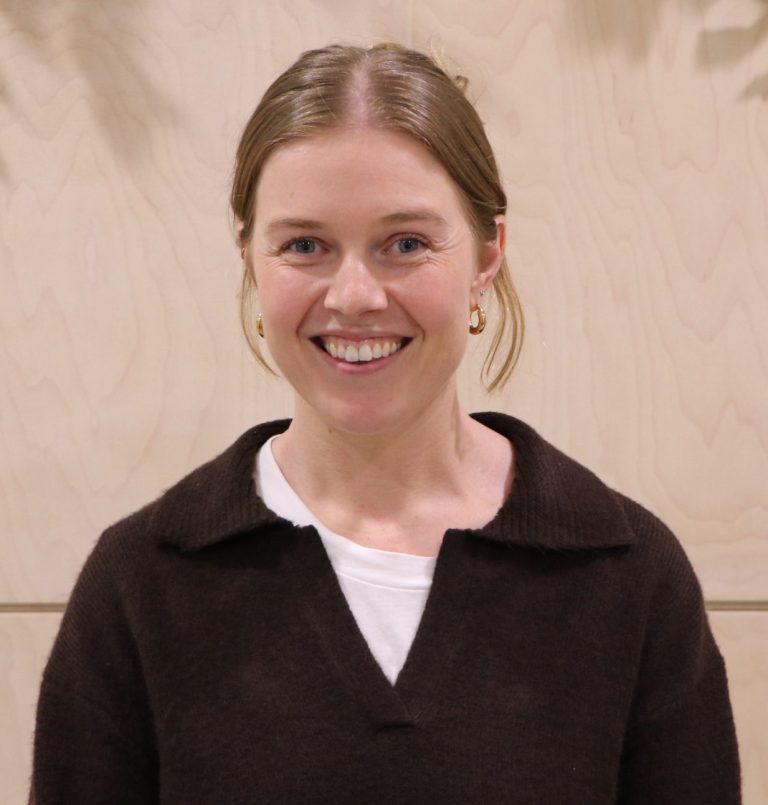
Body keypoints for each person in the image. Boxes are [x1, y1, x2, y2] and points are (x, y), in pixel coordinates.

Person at [31, 43, 740, 804]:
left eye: (405, 243)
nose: (356, 295)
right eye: (305, 245)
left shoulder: (628, 578)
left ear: (488, 253)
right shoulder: (142, 584)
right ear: (249, 256)